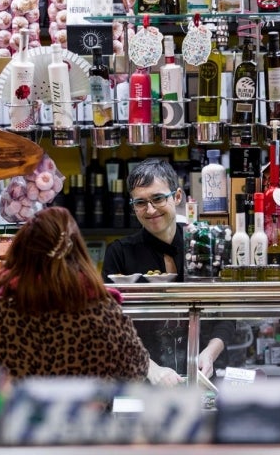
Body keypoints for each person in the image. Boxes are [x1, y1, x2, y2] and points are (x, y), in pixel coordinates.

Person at [0, 206, 149, 381]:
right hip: (82, 424)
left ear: (20, 252)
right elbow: (137, 370)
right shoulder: (105, 315)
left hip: (13, 424)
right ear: (78, 252)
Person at [102, 158, 235, 387]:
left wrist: (209, 353)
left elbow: (226, 314)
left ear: (177, 197)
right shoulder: (119, 253)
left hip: (204, 377)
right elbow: (109, 324)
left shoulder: (205, 244)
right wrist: (149, 368)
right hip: (142, 380)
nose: (150, 210)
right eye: (140, 203)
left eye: (158, 198)